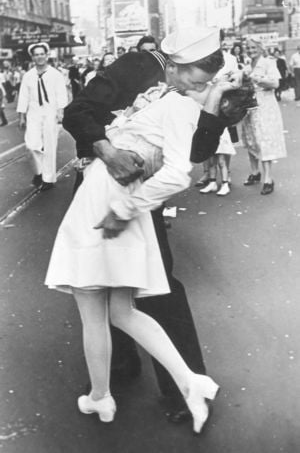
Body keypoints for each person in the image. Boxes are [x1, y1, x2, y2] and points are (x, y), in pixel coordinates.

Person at [46, 27, 227, 434]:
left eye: (207, 80)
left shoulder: (191, 96)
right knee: (110, 300)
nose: (201, 83)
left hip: (137, 197)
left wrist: (214, 114)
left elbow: (193, 154)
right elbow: (78, 112)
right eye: (198, 76)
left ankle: (177, 386)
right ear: (176, 63)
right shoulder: (134, 65)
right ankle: (115, 374)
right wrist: (108, 151)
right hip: (105, 183)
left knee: (152, 286)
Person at [17, 42, 68, 191]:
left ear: (47, 55)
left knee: (50, 146)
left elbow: (61, 94)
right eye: (36, 55)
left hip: (50, 113)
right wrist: (21, 116)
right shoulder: (28, 76)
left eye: (42, 54)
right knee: (31, 145)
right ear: (32, 57)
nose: (39, 57)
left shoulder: (55, 74)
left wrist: (60, 113)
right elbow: (23, 97)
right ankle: (39, 171)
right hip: (33, 113)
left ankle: (48, 178)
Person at [241, 38, 287, 195]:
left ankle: (268, 178)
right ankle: (255, 172)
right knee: (250, 139)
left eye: (253, 47)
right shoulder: (247, 64)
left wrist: (256, 78)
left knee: (264, 140)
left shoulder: (268, 63)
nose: (250, 50)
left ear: (260, 48)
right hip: (250, 107)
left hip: (265, 107)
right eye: (248, 47)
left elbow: (275, 84)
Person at [198, 39, 239, 196]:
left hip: (225, 106)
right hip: (207, 104)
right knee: (208, 145)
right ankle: (210, 177)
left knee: (224, 146)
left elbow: (236, 82)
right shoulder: (203, 59)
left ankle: (226, 178)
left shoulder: (231, 59)